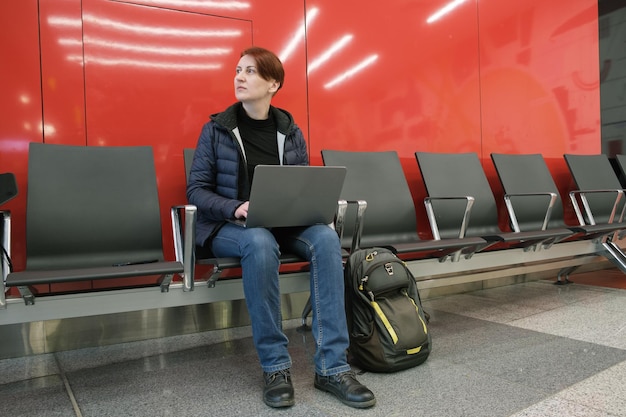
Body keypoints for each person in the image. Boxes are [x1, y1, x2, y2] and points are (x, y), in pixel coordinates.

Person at [186, 46, 376, 409]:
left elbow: (300, 186)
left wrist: (310, 209)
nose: (239, 77)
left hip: (281, 223)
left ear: (273, 83)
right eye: (237, 71)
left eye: (250, 72)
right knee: (258, 240)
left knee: (324, 237)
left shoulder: (290, 131)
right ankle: (275, 367)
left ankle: (332, 368)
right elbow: (195, 190)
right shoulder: (216, 130)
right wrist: (236, 206)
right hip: (229, 226)